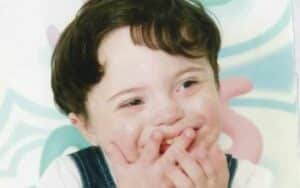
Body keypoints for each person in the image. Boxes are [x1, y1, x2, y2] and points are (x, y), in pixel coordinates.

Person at [39, 0, 272, 187]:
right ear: (86, 127)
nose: (169, 113)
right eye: (133, 101)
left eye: (187, 84)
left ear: (216, 83)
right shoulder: (68, 178)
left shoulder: (250, 180)